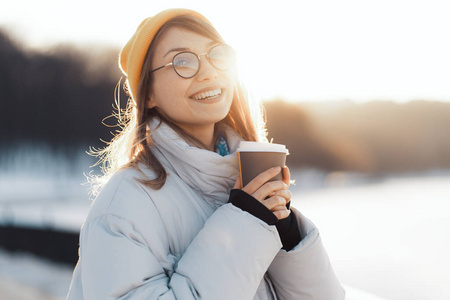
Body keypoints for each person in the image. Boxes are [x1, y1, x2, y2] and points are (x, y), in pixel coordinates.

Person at [67, 8, 345, 300]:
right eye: (182, 61)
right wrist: (246, 223)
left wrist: (288, 235)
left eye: (217, 55)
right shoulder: (123, 205)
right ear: (147, 94)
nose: (210, 72)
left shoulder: (241, 178)